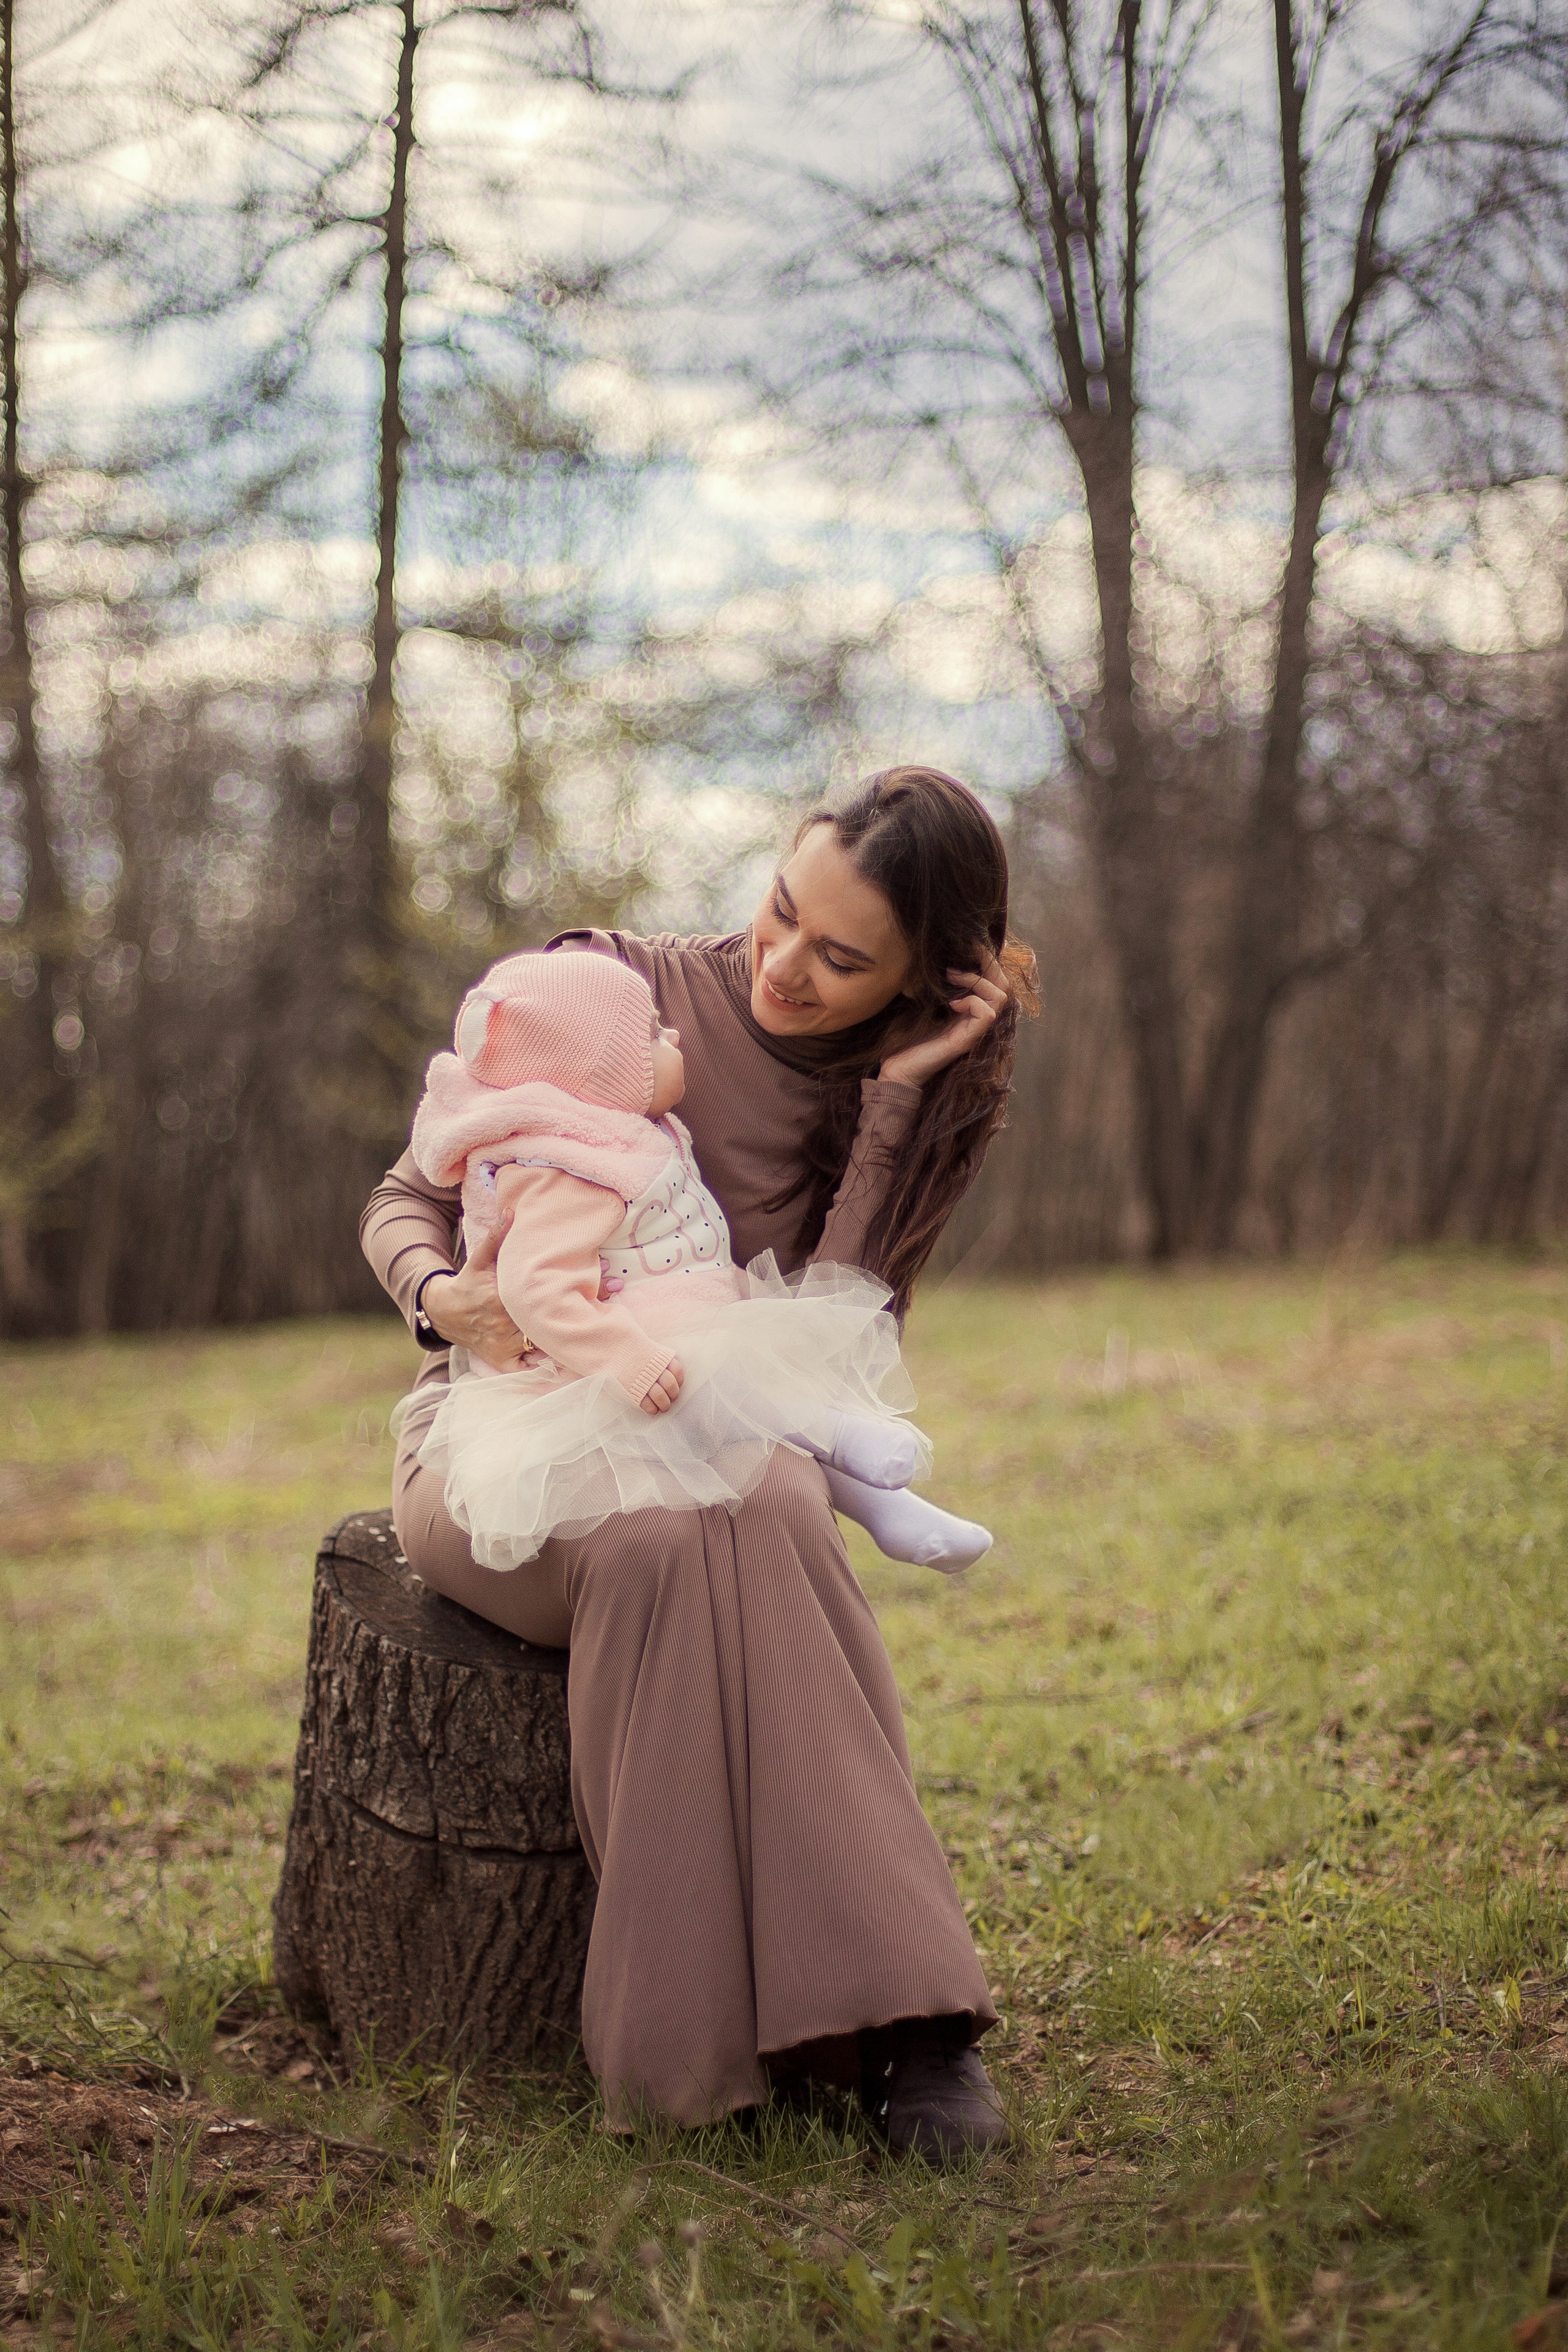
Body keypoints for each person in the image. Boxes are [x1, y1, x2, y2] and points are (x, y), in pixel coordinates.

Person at [361, 765, 1038, 2158]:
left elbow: (827, 1346)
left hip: (721, 1429)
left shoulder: (903, 1087)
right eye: (779, 910)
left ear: (919, 981)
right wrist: (446, 1294)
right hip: (502, 1440)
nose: (782, 963)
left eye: (841, 956)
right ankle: (691, 2051)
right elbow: (405, 1192)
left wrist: (900, 1103)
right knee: (657, 1538)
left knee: (776, 1494)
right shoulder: (614, 989)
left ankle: (907, 2029)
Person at [403, 946, 993, 1575]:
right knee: (742, 1390)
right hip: (612, 1374)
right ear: (604, 1076)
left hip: (681, 1333)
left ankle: (889, 1511)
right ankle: (841, 1436)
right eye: (652, 1035)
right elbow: (534, 1288)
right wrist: (625, 1359)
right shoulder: (563, 1171)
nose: (674, 1034)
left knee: (763, 1376)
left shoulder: (627, 1135)